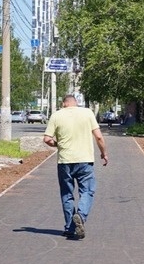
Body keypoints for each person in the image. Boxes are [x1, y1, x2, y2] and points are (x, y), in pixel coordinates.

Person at [43, 94, 108, 240]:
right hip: (85, 161)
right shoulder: (87, 113)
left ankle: (69, 228)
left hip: (64, 161)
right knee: (87, 191)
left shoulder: (56, 115)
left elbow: (47, 139)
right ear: (76, 103)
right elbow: (98, 137)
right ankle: (81, 215)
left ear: (64, 103)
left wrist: (58, 145)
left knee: (67, 194)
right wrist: (104, 154)